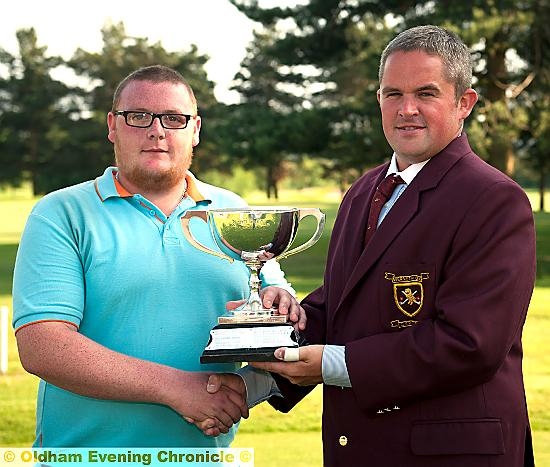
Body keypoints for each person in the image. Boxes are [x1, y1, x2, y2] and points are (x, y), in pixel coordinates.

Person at [209, 25, 537, 466]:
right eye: (392, 94)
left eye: (426, 93)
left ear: (465, 103)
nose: (407, 110)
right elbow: (340, 309)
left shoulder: (495, 200)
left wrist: (328, 364)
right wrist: (270, 351)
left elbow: (469, 345)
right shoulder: (364, 192)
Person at [12, 64, 304, 448]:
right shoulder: (62, 213)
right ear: (112, 126)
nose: (157, 130)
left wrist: (249, 381)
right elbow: (43, 346)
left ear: (195, 129)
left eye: (173, 118)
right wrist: (175, 388)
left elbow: (281, 324)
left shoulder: (234, 212)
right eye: (138, 117)